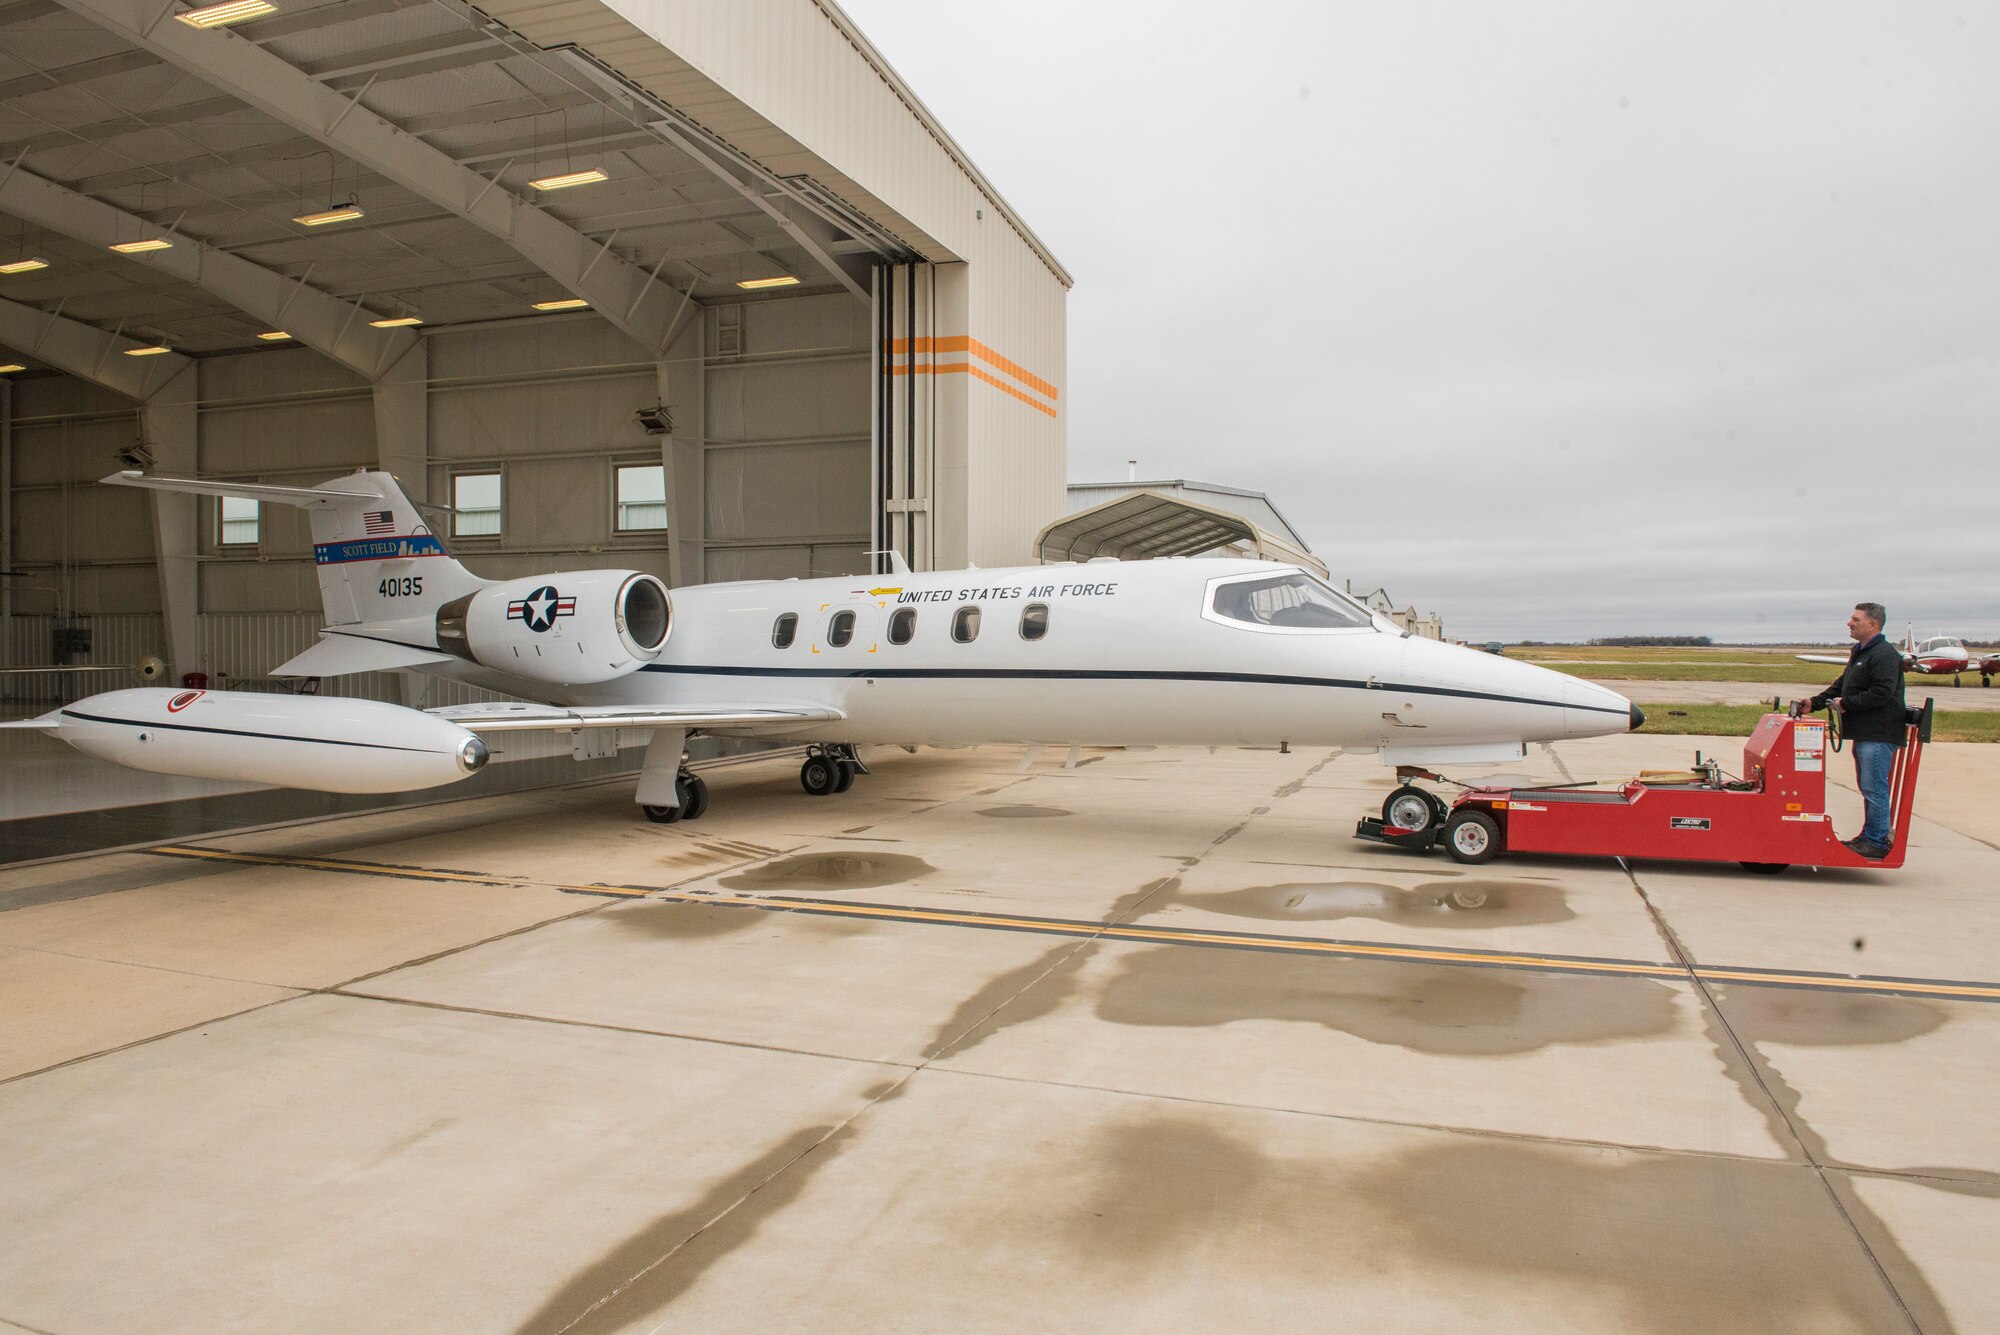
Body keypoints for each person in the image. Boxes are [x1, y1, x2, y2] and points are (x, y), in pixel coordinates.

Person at [1803, 602, 1906, 859]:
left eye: (1855, 619)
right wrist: (1814, 703)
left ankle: (1877, 841)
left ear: (1873, 624)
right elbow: (1842, 686)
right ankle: (1870, 835)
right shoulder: (1862, 652)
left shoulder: (1884, 654)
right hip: (1865, 734)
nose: (1849, 623)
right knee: (1867, 786)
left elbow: (1883, 692)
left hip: (1878, 734)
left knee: (1874, 788)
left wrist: (1847, 705)